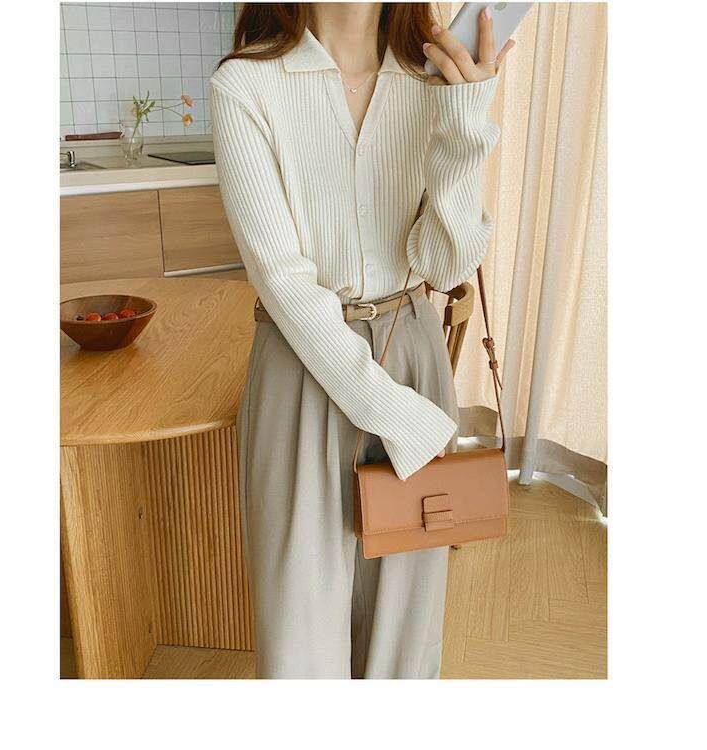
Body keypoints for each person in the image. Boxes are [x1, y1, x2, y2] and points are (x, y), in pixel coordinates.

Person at [210, 2, 512, 679]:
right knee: (299, 635)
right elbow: (281, 280)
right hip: (300, 363)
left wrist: (464, 123)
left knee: (404, 634)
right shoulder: (246, 86)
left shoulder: (430, 80)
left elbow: (445, 266)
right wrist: (396, 415)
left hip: (411, 354)